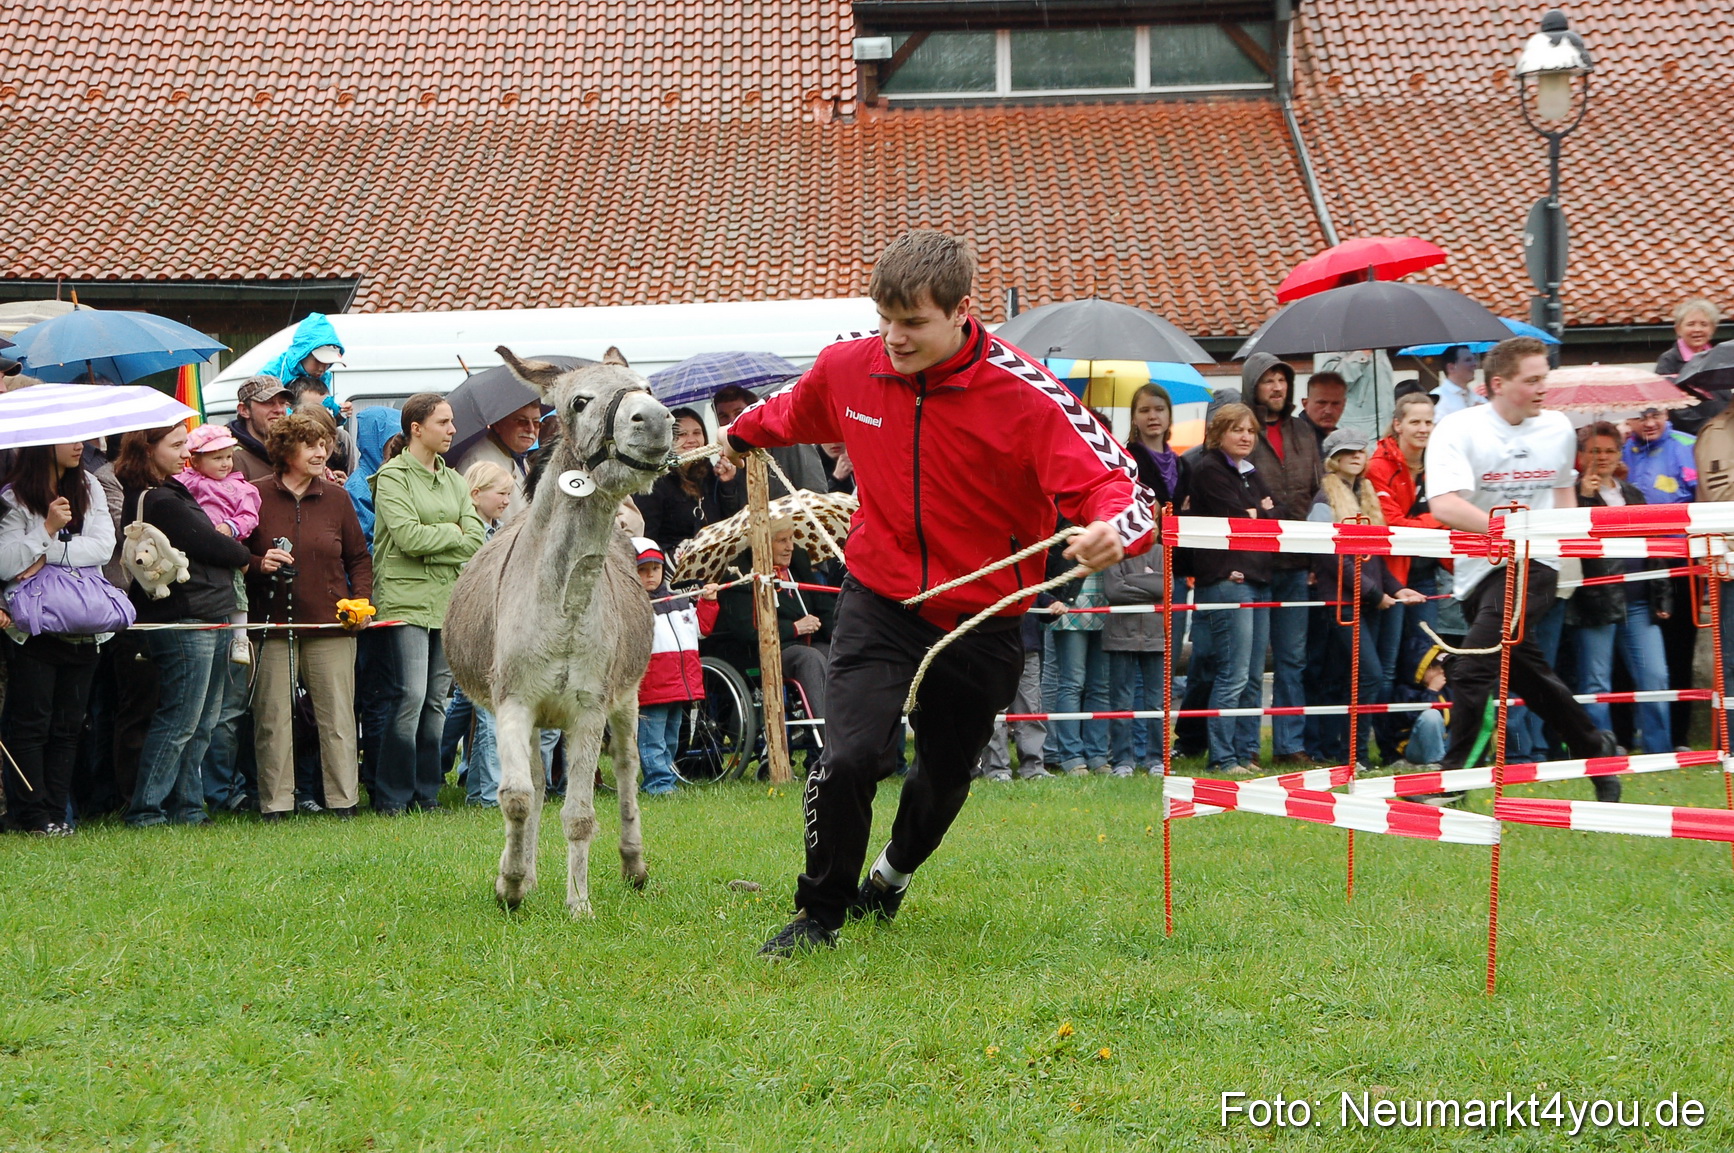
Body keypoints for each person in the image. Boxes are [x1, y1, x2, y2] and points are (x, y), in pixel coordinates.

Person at [720, 230, 1152, 955]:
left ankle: (890, 875)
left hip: (981, 620)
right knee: (848, 758)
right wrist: (738, 434)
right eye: (885, 317)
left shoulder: (1030, 395)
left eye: (913, 322)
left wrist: (1115, 528)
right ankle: (819, 914)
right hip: (880, 598)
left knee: (945, 776)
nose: (894, 337)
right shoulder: (851, 366)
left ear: (961, 312)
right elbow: (792, 409)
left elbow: (1121, 484)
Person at [1423, 337, 1616, 803]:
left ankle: (1455, 778)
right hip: (1476, 571)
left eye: (1544, 378)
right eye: (1532, 380)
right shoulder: (1458, 429)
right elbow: (1444, 504)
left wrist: (1571, 554)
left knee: (1471, 670)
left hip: (1536, 563)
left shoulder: (1557, 429)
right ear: (1498, 384)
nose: (1542, 388)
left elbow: (1563, 494)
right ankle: (1595, 746)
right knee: (1530, 676)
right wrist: (1501, 531)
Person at [116, 424, 252, 827]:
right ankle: (146, 810)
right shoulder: (158, 499)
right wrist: (245, 553)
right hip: (183, 615)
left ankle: (188, 807)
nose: (185, 453)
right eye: (175, 446)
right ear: (147, 449)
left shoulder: (170, 491)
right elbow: (210, 543)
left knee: (203, 721)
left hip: (207, 610)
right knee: (180, 719)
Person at [245, 414, 372, 822]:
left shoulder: (337, 498)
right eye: (313, 444)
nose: (323, 452)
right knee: (272, 718)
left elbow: (359, 558)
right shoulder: (254, 495)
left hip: (331, 625)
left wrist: (361, 604)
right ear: (287, 451)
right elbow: (234, 553)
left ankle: (343, 802)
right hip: (273, 624)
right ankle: (276, 804)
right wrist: (256, 564)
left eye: (327, 444)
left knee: (337, 718)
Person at [369, 393, 486, 814]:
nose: (452, 430)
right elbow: (408, 538)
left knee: (437, 699)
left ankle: (427, 792)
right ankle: (392, 795)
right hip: (404, 601)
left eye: (452, 421)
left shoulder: (455, 480)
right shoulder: (392, 477)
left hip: (447, 601)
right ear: (416, 429)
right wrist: (452, 532)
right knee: (410, 696)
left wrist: (447, 534)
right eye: (443, 422)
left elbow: (476, 540)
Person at [0, 441, 117, 834]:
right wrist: (47, 527)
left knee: (69, 724)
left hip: (85, 621)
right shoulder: (14, 495)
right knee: (31, 722)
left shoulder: (89, 486)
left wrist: (44, 551)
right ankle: (30, 815)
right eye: (68, 436)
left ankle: (54, 813)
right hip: (33, 628)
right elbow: (4, 561)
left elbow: (103, 546)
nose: (79, 444)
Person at [1306, 428, 1426, 765]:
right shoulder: (1323, 500)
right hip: (1342, 604)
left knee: (1354, 678)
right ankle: (1351, 754)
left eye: (1361, 450)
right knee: (1368, 675)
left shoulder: (1365, 493)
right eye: (1348, 452)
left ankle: (1349, 752)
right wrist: (1377, 594)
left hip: (1366, 601)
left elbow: (1376, 559)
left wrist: (1396, 588)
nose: (1358, 456)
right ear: (1334, 458)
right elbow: (1329, 557)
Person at [1180, 403, 1277, 778]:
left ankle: (1246, 751)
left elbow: (1273, 514)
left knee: (1253, 676)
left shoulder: (1250, 472)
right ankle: (1222, 756)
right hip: (1225, 581)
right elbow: (1240, 520)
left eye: (1250, 431)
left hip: (1257, 579)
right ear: (1218, 434)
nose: (1245, 437)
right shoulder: (1208, 469)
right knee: (1232, 673)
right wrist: (1257, 512)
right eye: (1237, 430)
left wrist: (1256, 512)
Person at [1567, 422, 1673, 754]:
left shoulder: (1633, 493)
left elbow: (1655, 548)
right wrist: (1584, 495)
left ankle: (1659, 751)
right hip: (1595, 601)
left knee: (1655, 678)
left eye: (1609, 450)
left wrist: (1662, 593)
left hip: (1640, 601)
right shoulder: (1571, 494)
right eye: (1594, 450)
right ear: (1581, 455)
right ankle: (1601, 753)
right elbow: (1574, 541)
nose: (1602, 457)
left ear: (1619, 453)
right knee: (1596, 682)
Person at [1241, 352, 1321, 767]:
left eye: (1282, 380)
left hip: (1298, 563)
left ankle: (1290, 745)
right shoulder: (1242, 431)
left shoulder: (1304, 434)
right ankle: (1247, 746)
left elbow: (1317, 491)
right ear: (1253, 384)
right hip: (1253, 564)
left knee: (1293, 659)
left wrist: (1316, 556)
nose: (1276, 387)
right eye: (1268, 380)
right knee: (1251, 663)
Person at [1622, 406, 1698, 751]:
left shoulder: (1688, 445)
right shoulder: (1620, 449)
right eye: (1641, 416)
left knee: (1678, 649)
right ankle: (1625, 735)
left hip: (1680, 562)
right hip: (1633, 564)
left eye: (1656, 415)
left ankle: (1677, 736)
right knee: (1629, 654)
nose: (1649, 422)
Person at [440, 461, 515, 806]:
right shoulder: (466, 534)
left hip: (498, 625)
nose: (506, 499)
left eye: (510, 493)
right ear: (476, 494)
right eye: (501, 493)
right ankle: (484, 793)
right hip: (473, 628)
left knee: (463, 704)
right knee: (485, 710)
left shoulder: (502, 532)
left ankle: (442, 767)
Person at [710, 525, 834, 730]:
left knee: (835, 654)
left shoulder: (798, 565)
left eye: (791, 539)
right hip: (765, 650)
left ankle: (849, 732)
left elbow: (824, 604)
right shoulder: (739, 574)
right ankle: (827, 735)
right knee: (810, 659)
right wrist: (794, 628)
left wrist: (838, 636)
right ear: (762, 544)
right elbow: (746, 630)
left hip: (804, 644)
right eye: (782, 540)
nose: (790, 547)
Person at [633, 538, 720, 796]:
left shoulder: (681, 600)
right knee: (652, 739)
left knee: (671, 738)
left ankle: (665, 776)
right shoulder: (634, 607)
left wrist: (709, 602)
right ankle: (658, 782)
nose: (650, 575)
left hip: (680, 685)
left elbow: (702, 629)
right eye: (643, 570)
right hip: (653, 685)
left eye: (655, 569)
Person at [176, 424, 261, 667]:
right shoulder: (183, 482)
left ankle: (240, 639)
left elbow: (249, 516)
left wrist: (232, 526)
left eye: (228, 457)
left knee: (236, 591)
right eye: (216, 458)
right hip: (191, 547)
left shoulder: (240, 487)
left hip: (225, 547)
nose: (225, 463)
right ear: (195, 460)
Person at [633, 407, 742, 560]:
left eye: (697, 433)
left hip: (713, 565)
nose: (691, 440)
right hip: (673, 572)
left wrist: (727, 484)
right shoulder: (655, 482)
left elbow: (730, 522)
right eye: (681, 435)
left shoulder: (709, 474)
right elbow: (646, 538)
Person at [453, 400, 542, 522]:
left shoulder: (519, 458)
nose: (531, 429)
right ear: (498, 424)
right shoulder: (476, 461)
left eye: (537, 423)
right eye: (522, 421)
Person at [1315, 347, 1395, 440]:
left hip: (1384, 429)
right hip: (1355, 435)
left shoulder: (1375, 337)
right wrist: (1362, 354)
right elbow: (1326, 384)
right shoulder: (1331, 336)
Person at [225, 375, 294, 483]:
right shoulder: (229, 458)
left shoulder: (295, 451)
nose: (279, 410)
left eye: (282, 403)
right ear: (244, 410)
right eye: (268, 403)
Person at [291, 378, 356, 477]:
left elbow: (351, 473)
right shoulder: (285, 440)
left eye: (326, 408)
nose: (318, 414)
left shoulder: (341, 438)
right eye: (310, 409)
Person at [1654, 297, 1721, 376]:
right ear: (1678, 329)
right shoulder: (1668, 360)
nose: (1697, 329)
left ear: (1713, 329)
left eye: (1704, 324)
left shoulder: (1717, 358)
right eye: (1691, 324)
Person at [1429, 345, 1485, 421]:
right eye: (1468, 360)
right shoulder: (1438, 398)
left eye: (1474, 359)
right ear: (1451, 367)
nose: (1474, 364)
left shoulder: (1477, 398)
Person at [1297, 371, 1346, 447]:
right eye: (1322, 403)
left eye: (1335, 404)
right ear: (1305, 403)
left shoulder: (1344, 441)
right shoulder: (1292, 438)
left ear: (1344, 405)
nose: (1328, 411)